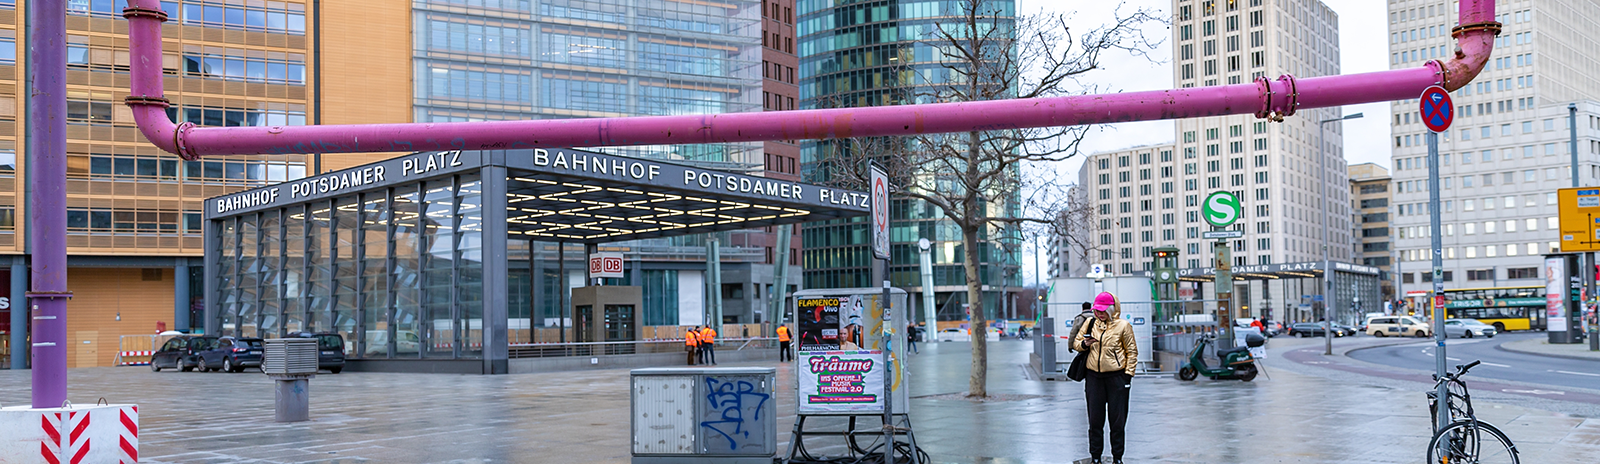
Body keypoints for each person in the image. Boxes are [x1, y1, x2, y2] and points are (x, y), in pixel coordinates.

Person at [1072, 292, 1137, 464]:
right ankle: (1095, 457)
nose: (1099, 314)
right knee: (1095, 421)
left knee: (1117, 422)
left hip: (1117, 378)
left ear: (1111, 309)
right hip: (1093, 378)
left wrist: (1127, 377)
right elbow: (1076, 343)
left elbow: (1132, 352)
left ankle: (1118, 458)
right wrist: (1084, 344)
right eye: (1097, 311)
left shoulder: (1124, 326)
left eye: (1103, 311)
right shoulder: (1089, 323)